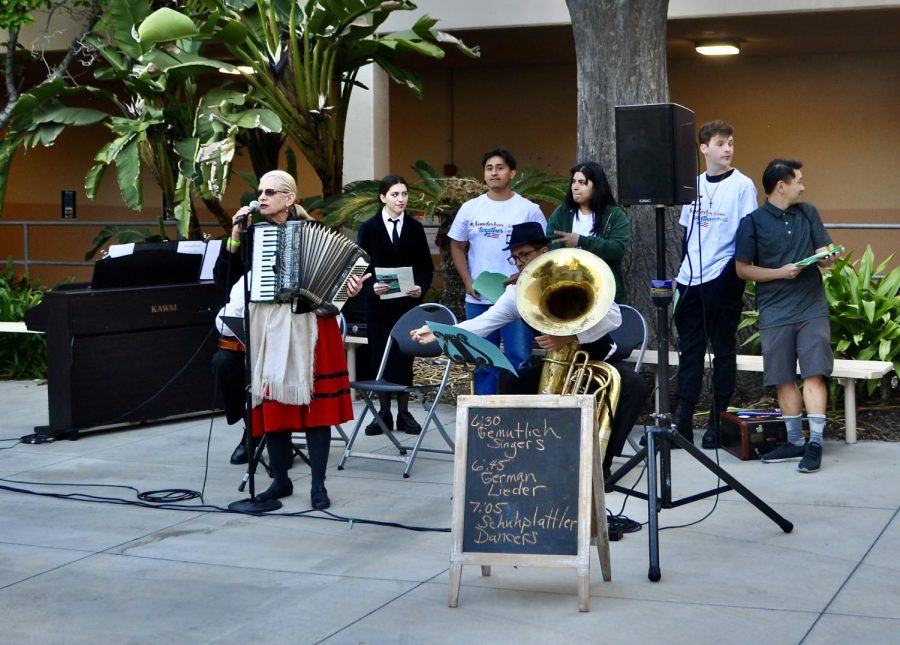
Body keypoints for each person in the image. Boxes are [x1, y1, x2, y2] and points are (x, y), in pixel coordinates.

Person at [412, 222, 648, 476]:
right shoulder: (517, 292)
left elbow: (614, 317)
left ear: (543, 251)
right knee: (515, 383)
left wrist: (570, 336)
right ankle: (525, 455)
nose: (519, 263)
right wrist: (438, 332)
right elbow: (485, 322)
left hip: (598, 360)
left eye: (524, 255)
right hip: (558, 365)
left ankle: (602, 463)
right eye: (514, 258)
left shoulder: (576, 274)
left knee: (634, 385)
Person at [214, 170, 368, 507]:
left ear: (289, 198)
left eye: (271, 191)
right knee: (275, 406)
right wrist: (235, 233)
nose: (262, 197)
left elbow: (340, 288)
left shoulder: (316, 232)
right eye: (260, 191)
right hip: (271, 323)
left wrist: (349, 292)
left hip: (314, 326)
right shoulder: (253, 235)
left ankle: (318, 486)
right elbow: (222, 277)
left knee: (316, 409)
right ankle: (280, 482)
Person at [734, 159, 838, 473]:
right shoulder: (752, 222)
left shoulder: (809, 212)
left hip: (811, 307)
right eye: (799, 181)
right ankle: (795, 442)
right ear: (782, 185)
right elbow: (742, 269)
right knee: (781, 377)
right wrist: (779, 273)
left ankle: (816, 442)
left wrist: (826, 258)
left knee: (814, 372)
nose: (803, 187)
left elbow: (827, 258)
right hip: (775, 310)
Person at [673, 120, 758, 449]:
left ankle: (717, 421)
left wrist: (729, 279)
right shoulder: (692, 185)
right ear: (704, 148)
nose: (728, 149)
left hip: (722, 279)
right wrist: (683, 274)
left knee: (722, 352)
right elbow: (687, 234)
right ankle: (682, 419)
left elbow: (746, 236)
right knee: (690, 353)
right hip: (689, 281)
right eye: (721, 143)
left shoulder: (742, 186)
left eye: (731, 143)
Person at [447, 147, 547, 395]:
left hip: (517, 299)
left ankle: (516, 414)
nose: (494, 173)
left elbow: (541, 251)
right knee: (483, 362)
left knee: (518, 359)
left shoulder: (528, 209)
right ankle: (485, 416)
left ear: (512, 172)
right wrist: (467, 282)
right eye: (489, 168)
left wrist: (525, 281)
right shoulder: (471, 208)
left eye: (500, 168)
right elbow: (457, 246)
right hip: (478, 298)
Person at [356, 175, 434, 436]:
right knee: (381, 358)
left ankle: (403, 413)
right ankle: (383, 413)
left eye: (404, 194)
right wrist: (370, 287)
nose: (401, 199)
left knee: (404, 359)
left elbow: (425, 267)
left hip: (406, 307)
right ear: (382, 197)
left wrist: (420, 287)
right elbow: (360, 267)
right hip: (379, 308)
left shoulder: (414, 227)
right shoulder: (369, 228)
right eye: (395, 194)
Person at [546, 161, 630, 303]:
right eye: (573, 182)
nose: (575, 187)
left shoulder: (615, 214)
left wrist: (581, 241)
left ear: (597, 186)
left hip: (603, 290)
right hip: (567, 290)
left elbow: (617, 249)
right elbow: (550, 245)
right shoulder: (562, 212)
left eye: (582, 182)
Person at [211, 273, 250, 464]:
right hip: (256, 347)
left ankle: (280, 437)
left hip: (294, 348)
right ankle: (251, 427)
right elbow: (224, 322)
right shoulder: (250, 278)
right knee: (223, 360)